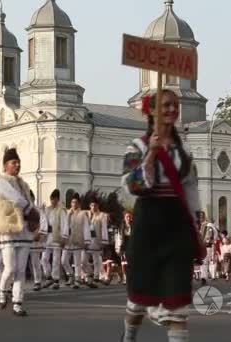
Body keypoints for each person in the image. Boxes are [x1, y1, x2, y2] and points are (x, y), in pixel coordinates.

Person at [120, 90, 201, 342]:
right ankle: (129, 336)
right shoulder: (138, 146)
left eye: (175, 105)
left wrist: (196, 226)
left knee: (178, 309)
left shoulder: (183, 152)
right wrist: (152, 153)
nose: (171, 110)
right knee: (137, 302)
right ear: (152, 111)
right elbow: (130, 185)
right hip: (148, 224)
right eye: (165, 105)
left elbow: (190, 189)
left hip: (176, 226)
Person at [0, 148, 38, 316]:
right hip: (9, 229)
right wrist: (31, 210)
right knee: (10, 268)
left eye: (18, 162)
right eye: (13, 162)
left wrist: (36, 220)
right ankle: (3, 290)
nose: (17, 165)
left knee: (20, 270)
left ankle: (17, 303)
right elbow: (16, 199)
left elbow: (31, 204)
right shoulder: (0, 181)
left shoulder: (24, 184)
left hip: (24, 230)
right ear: (6, 165)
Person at [40, 189, 69, 290]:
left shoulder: (61, 210)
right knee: (44, 259)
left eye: (54, 199)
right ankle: (48, 277)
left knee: (56, 259)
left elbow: (65, 224)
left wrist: (64, 238)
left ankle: (56, 279)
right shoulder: (47, 209)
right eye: (51, 199)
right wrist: (42, 211)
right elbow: (43, 221)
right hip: (48, 236)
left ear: (58, 199)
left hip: (57, 236)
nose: (53, 201)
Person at [62, 193, 90, 289]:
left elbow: (86, 228)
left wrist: (87, 241)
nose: (74, 204)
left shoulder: (83, 214)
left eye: (76, 202)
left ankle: (77, 280)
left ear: (79, 204)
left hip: (78, 241)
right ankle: (71, 275)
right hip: (68, 241)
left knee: (77, 262)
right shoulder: (67, 213)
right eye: (72, 202)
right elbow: (63, 226)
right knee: (63, 260)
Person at [84, 197, 109, 286]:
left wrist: (104, 241)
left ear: (97, 206)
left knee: (96, 260)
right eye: (92, 205)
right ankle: (90, 274)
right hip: (87, 240)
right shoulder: (86, 214)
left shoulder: (102, 215)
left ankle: (96, 277)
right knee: (83, 261)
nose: (93, 207)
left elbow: (104, 229)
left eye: (95, 205)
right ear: (89, 206)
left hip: (96, 240)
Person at [115, 210, 133, 285]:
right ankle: (125, 278)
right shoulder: (121, 226)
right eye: (127, 216)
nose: (128, 218)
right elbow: (118, 237)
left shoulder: (134, 226)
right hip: (123, 245)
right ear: (124, 217)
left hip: (132, 246)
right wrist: (117, 248)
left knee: (131, 263)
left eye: (129, 216)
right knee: (123, 263)